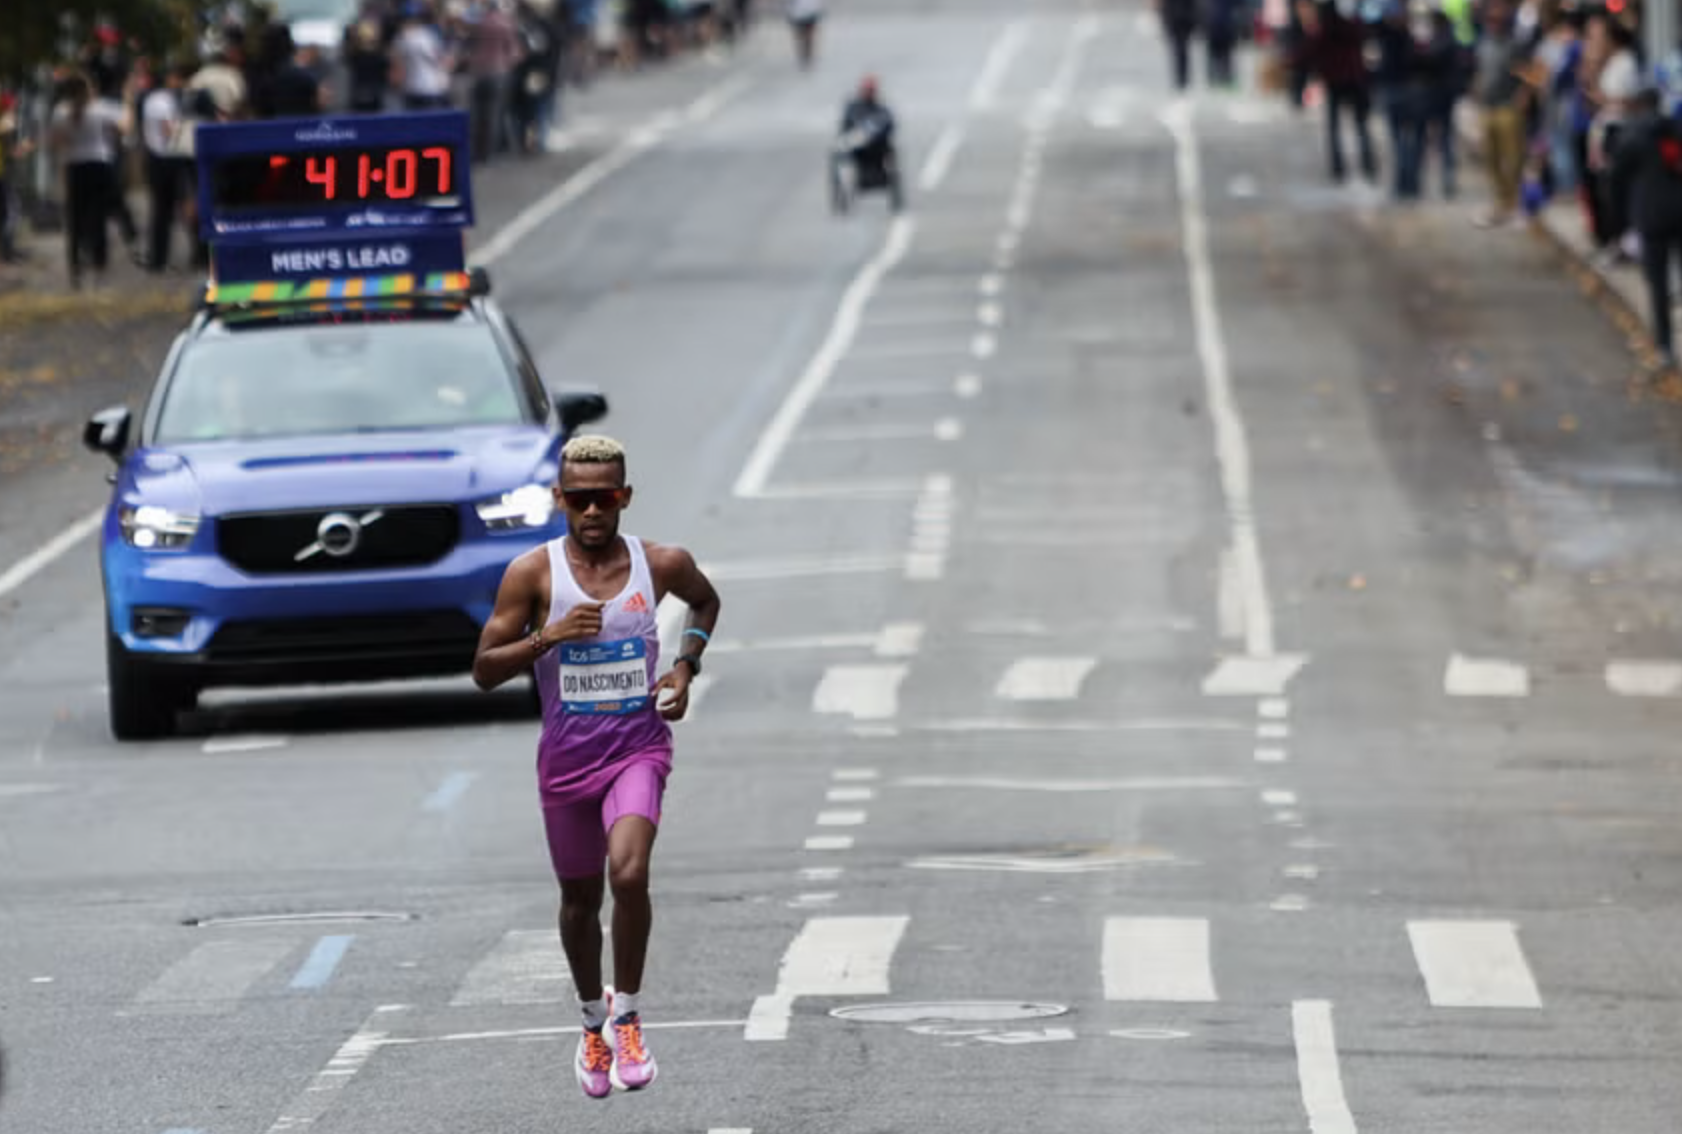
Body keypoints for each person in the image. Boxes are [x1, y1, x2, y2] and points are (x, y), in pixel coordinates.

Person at [472, 434, 721, 1099]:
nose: (591, 512)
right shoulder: (533, 574)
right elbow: (483, 672)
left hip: (637, 747)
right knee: (580, 902)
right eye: (579, 499)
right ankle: (591, 1021)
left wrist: (684, 664)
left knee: (630, 871)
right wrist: (545, 638)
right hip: (566, 762)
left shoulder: (660, 564)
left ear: (624, 497)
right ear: (560, 499)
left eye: (605, 497)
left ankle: (629, 1013)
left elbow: (706, 602)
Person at [1610, 87, 1682, 371]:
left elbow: (1616, 180)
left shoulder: (1631, 135)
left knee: (1658, 283)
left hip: (1651, 217)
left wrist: (1619, 224)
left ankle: (1664, 346)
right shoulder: (1675, 129)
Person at [50, 72, 125, 289]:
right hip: (99, 164)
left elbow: (57, 141)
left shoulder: (60, 111)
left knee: (75, 218)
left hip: (75, 165)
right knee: (98, 217)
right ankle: (99, 263)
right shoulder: (100, 108)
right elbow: (122, 129)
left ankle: (75, 265)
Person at [1293, 0, 1377, 184]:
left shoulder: (1328, 25)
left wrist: (1295, 62)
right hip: (1353, 78)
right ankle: (1366, 164)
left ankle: (1342, 167)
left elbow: (1311, 48)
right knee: (1359, 125)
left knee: (1337, 127)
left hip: (1338, 79)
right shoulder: (1353, 23)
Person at [787, 0, 823, 69]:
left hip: (809, 13)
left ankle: (807, 56)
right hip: (798, 14)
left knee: (807, 37)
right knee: (802, 37)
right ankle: (804, 56)